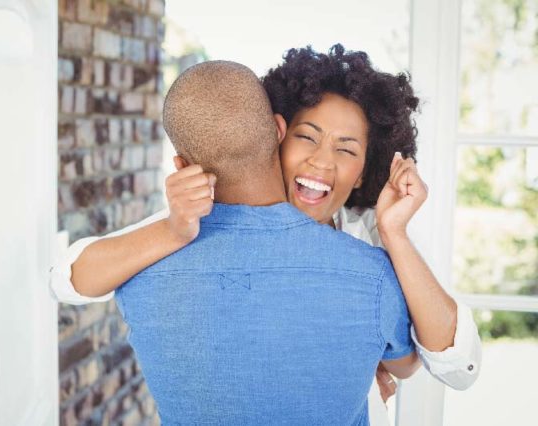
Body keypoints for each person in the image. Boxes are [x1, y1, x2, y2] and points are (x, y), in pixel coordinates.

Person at [50, 46, 481, 424]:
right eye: (306, 137)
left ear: (368, 167)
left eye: (346, 148)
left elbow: (458, 367)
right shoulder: (183, 224)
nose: (321, 162)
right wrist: (173, 230)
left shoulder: (378, 242)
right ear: (277, 134)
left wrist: (394, 237)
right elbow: (68, 279)